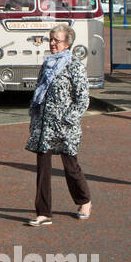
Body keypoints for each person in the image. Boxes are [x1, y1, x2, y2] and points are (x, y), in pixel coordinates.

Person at [25, 23, 91, 226]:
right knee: (42, 168)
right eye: (51, 39)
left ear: (67, 43)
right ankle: (43, 212)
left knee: (71, 167)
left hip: (64, 126)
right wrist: (35, 114)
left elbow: (83, 99)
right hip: (44, 124)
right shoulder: (47, 64)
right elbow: (39, 90)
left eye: (57, 40)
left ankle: (84, 200)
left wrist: (69, 119)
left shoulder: (75, 65)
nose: (52, 43)